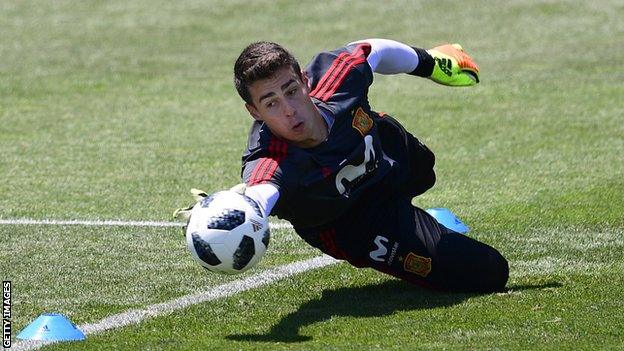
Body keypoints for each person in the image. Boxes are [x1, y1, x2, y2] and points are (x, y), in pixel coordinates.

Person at [183, 39, 508, 293]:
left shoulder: (336, 78)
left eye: (291, 91)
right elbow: (263, 190)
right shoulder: (270, 159)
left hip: (386, 158)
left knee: (425, 168)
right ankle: (423, 227)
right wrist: (240, 207)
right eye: (271, 103)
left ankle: (420, 219)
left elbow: (374, 49)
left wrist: (433, 63)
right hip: (353, 224)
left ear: (305, 81)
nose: (289, 110)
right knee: (490, 271)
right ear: (254, 112)